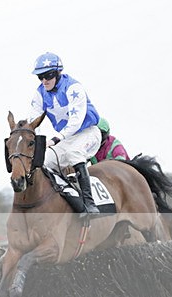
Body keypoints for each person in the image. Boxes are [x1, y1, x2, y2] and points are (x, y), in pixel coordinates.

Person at [29, 52, 102, 217]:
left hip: (88, 133)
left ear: (57, 73)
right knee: (43, 162)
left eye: (47, 76)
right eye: (40, 77)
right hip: (66, 139)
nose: (44, 81)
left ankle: (90, 204)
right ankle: (66, 199)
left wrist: (56, 139)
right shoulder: (40, 93)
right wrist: (37, 143)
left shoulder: (73, 87)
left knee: (73, 153)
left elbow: (76, 121)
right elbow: (34, 121)